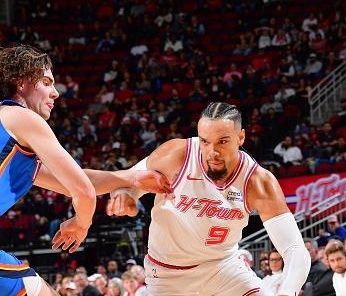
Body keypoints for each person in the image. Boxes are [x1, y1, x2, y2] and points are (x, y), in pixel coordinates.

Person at [0, 44, 170, 295]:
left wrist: (130, 178)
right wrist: (81, 223)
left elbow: (72, 181)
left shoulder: (10, 140)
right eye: (46, 82)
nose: (55, 92)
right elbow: (83, 191)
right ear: (21, 82)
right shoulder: (20, 117)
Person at [108, 102, 310, 295]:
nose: (212, 152)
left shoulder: (258, 182)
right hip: (168, 275)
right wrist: (126, 195)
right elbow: (127, 180)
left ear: (241, 137)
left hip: (224, 267)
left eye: (222, 141)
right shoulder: (178, 155)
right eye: (205, 141)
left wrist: (286, 291)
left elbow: (295, 250)